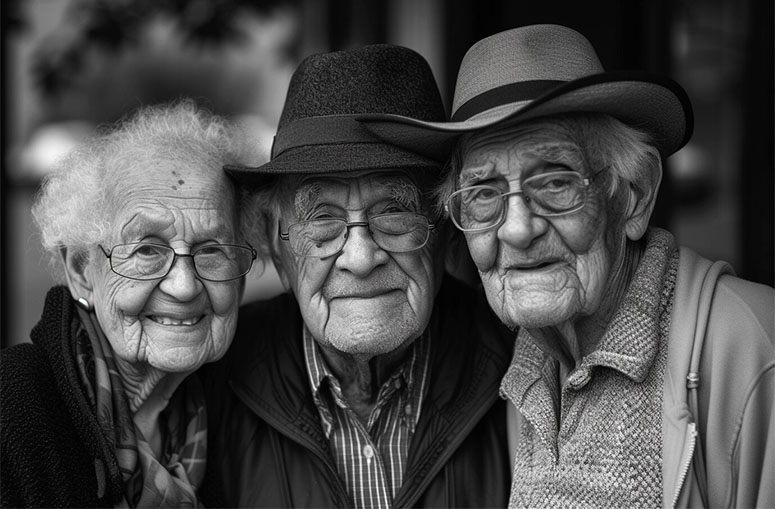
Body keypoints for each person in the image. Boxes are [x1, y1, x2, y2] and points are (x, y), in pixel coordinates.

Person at [360, 25, 774, 508]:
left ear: (633, 198)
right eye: (483, 194)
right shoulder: (528, 373)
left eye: (555, 182)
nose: (517, 229)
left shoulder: (753, 348)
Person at [200, 44, 514, 508]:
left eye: (394, 212)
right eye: (322, 220)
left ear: (447, 232)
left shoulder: (521, 373)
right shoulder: (213, 385)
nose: (361, 258)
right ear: (274, 242)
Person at [0, 101, 262, 508]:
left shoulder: (234, 409)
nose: (184, 285)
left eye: (211, 250)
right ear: (82, 269)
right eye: (146, 250)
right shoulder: (13, 411)